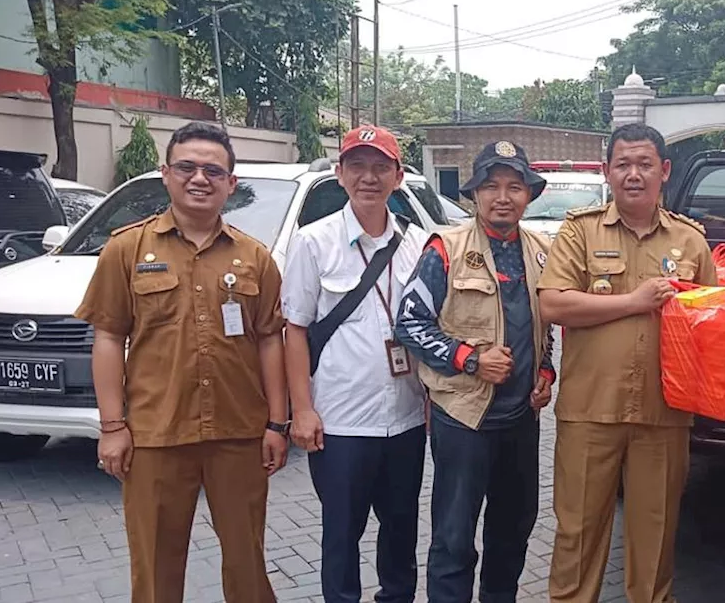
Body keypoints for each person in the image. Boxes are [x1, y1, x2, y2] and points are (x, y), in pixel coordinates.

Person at [77, 121, 287, 602]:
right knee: (154, 568)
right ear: (166, 173)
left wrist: (277, 423)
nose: (200, 178)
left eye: (214, 170)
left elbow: (270, 341)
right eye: (187, 167)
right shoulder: (126, 250)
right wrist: (112, 427)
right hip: (155, 435)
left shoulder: (254, 257)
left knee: (247, 562)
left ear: (231, 184)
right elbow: (108, 337)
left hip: (238, 436)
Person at [539, 123, 718, 603]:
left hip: (664, 414)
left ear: (664, 171)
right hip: (589, 411)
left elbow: (711, 321)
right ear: (607, 172)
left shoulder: (691, 242)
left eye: (644, 165)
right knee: (577, 535)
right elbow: (553, 305)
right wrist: (635, 302)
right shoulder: (580, 231)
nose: (633, 175)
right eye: (623, 165)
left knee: (655, 540)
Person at [394, 141, 556, 603]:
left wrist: (545, 372)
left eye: (513, 186)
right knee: (453, 535)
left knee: (514, 529)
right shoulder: (445, 248)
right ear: (475, 195)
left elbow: (542, 327)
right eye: (491, 186)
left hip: (521, 420)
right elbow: (408, 321)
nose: (502, 196)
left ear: (529, 195)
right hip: (463, 418)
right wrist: (469, 357)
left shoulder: (543, 252)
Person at [280, 125, 428, 603]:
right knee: (342, 532)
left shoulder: (418, 243)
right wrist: (301, 411)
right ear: (340, 174)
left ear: (398, 175)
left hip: (407, 415)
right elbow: (295, 330)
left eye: (381, 167)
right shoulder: (312, 242)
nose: (370, 177)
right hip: (341, 419)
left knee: (401, 526)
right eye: (358, 166)